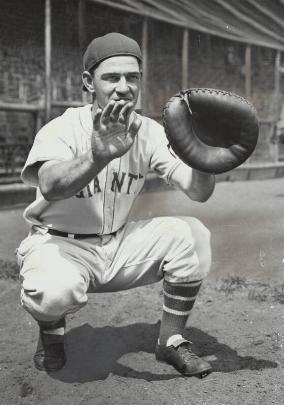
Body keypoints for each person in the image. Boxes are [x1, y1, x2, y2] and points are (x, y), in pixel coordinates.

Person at [17, 32, 216, 378]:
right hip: (60, 245)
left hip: (119, 245)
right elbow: (49, 184)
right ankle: (51, 332)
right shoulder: (61, 128)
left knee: (192, 235)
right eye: (111, 77)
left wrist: (203, 156)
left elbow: (198, 192)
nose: (124, 86)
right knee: (53, 293)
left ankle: (170, 340)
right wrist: (96, 157)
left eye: (132, 77)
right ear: (88, 83)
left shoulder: (150, 132)